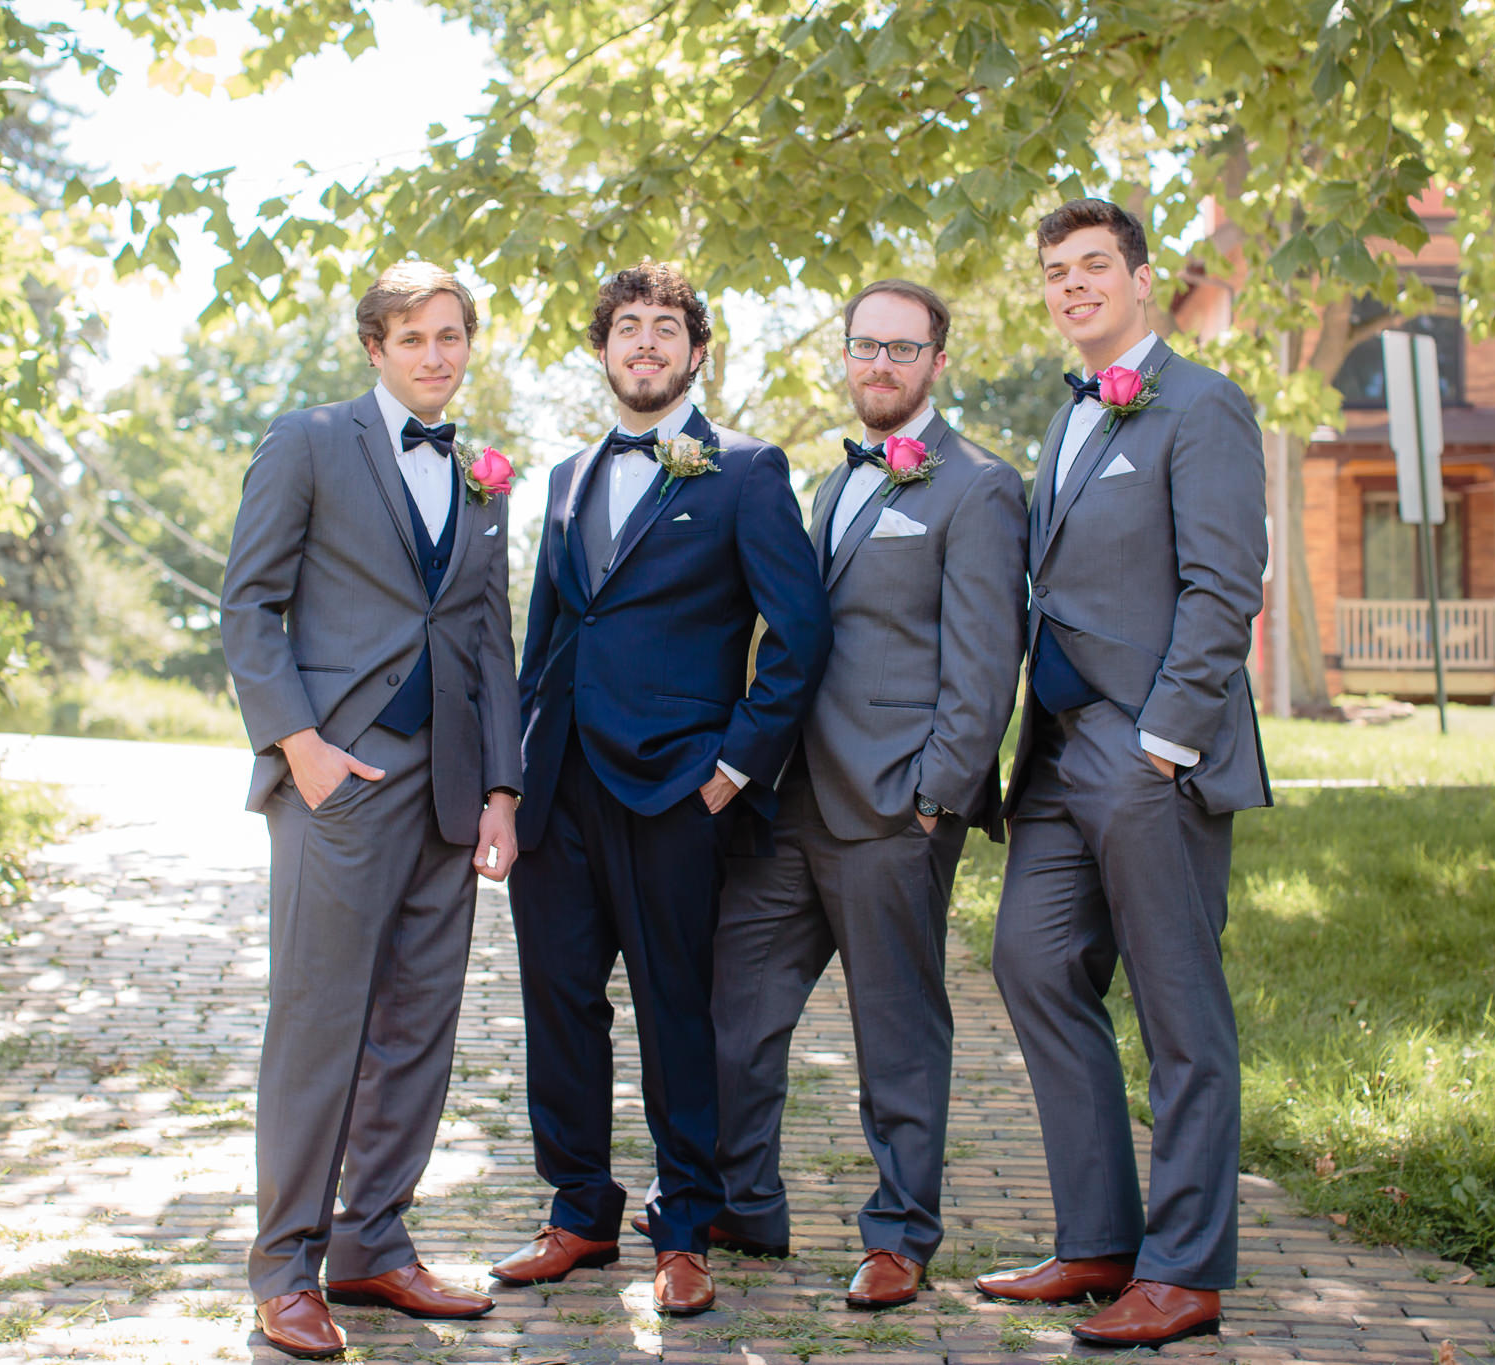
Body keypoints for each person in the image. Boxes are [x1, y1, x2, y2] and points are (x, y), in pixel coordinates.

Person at [490, 261, 831, 1317]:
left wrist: (733, 767)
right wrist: (507, 782)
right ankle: (579, 1209)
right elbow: (544, 638)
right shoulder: (561, 478)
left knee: (676, 1012)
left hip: (677, 791)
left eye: (664, 328)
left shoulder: (743, 470)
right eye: (625, 327)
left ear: (695, 351)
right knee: (557, 1003)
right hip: (558, 791)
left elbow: (799, 631)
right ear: (602, 350)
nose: (644, 343)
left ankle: (684, 1223)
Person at [975, 199, 1271, 1349]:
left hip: (1148, 750)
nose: (1072, 286)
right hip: (1051, 754)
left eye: (1093, 266)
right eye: (1055, 271)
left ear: (1141, 281)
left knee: (1177, 1009)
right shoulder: (1073, 420)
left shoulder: (1200, 404)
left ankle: (1185, 1268)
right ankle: (1097, 1239)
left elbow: (1220, 585)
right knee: (1030, 959)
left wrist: (1164, 740)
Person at [697, 279, 1027, 1308]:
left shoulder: (976, 486)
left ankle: (898, 1236)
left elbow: (983, 662)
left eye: (900, 349)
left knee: (896, 1032)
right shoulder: (833, 484)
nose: (877, 365)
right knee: (736, 1014)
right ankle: (743, 1204)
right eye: (863, 347)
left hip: (891, 810)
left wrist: (934, 797)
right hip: (788, 802)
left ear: (937, 361)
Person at [220, 262, 522, 1360]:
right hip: (338, 779)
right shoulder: (307, 441)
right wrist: (300, 749)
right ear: (374, 347)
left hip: (447, 791)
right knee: (318, 1026)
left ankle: (372, 1247)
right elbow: (248, 604)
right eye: (413, 338)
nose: (436, 355)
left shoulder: (483, 478)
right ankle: (285, 1271)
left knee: (416, 1033)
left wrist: (501, 789)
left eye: (451, 335)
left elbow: (490, 641)